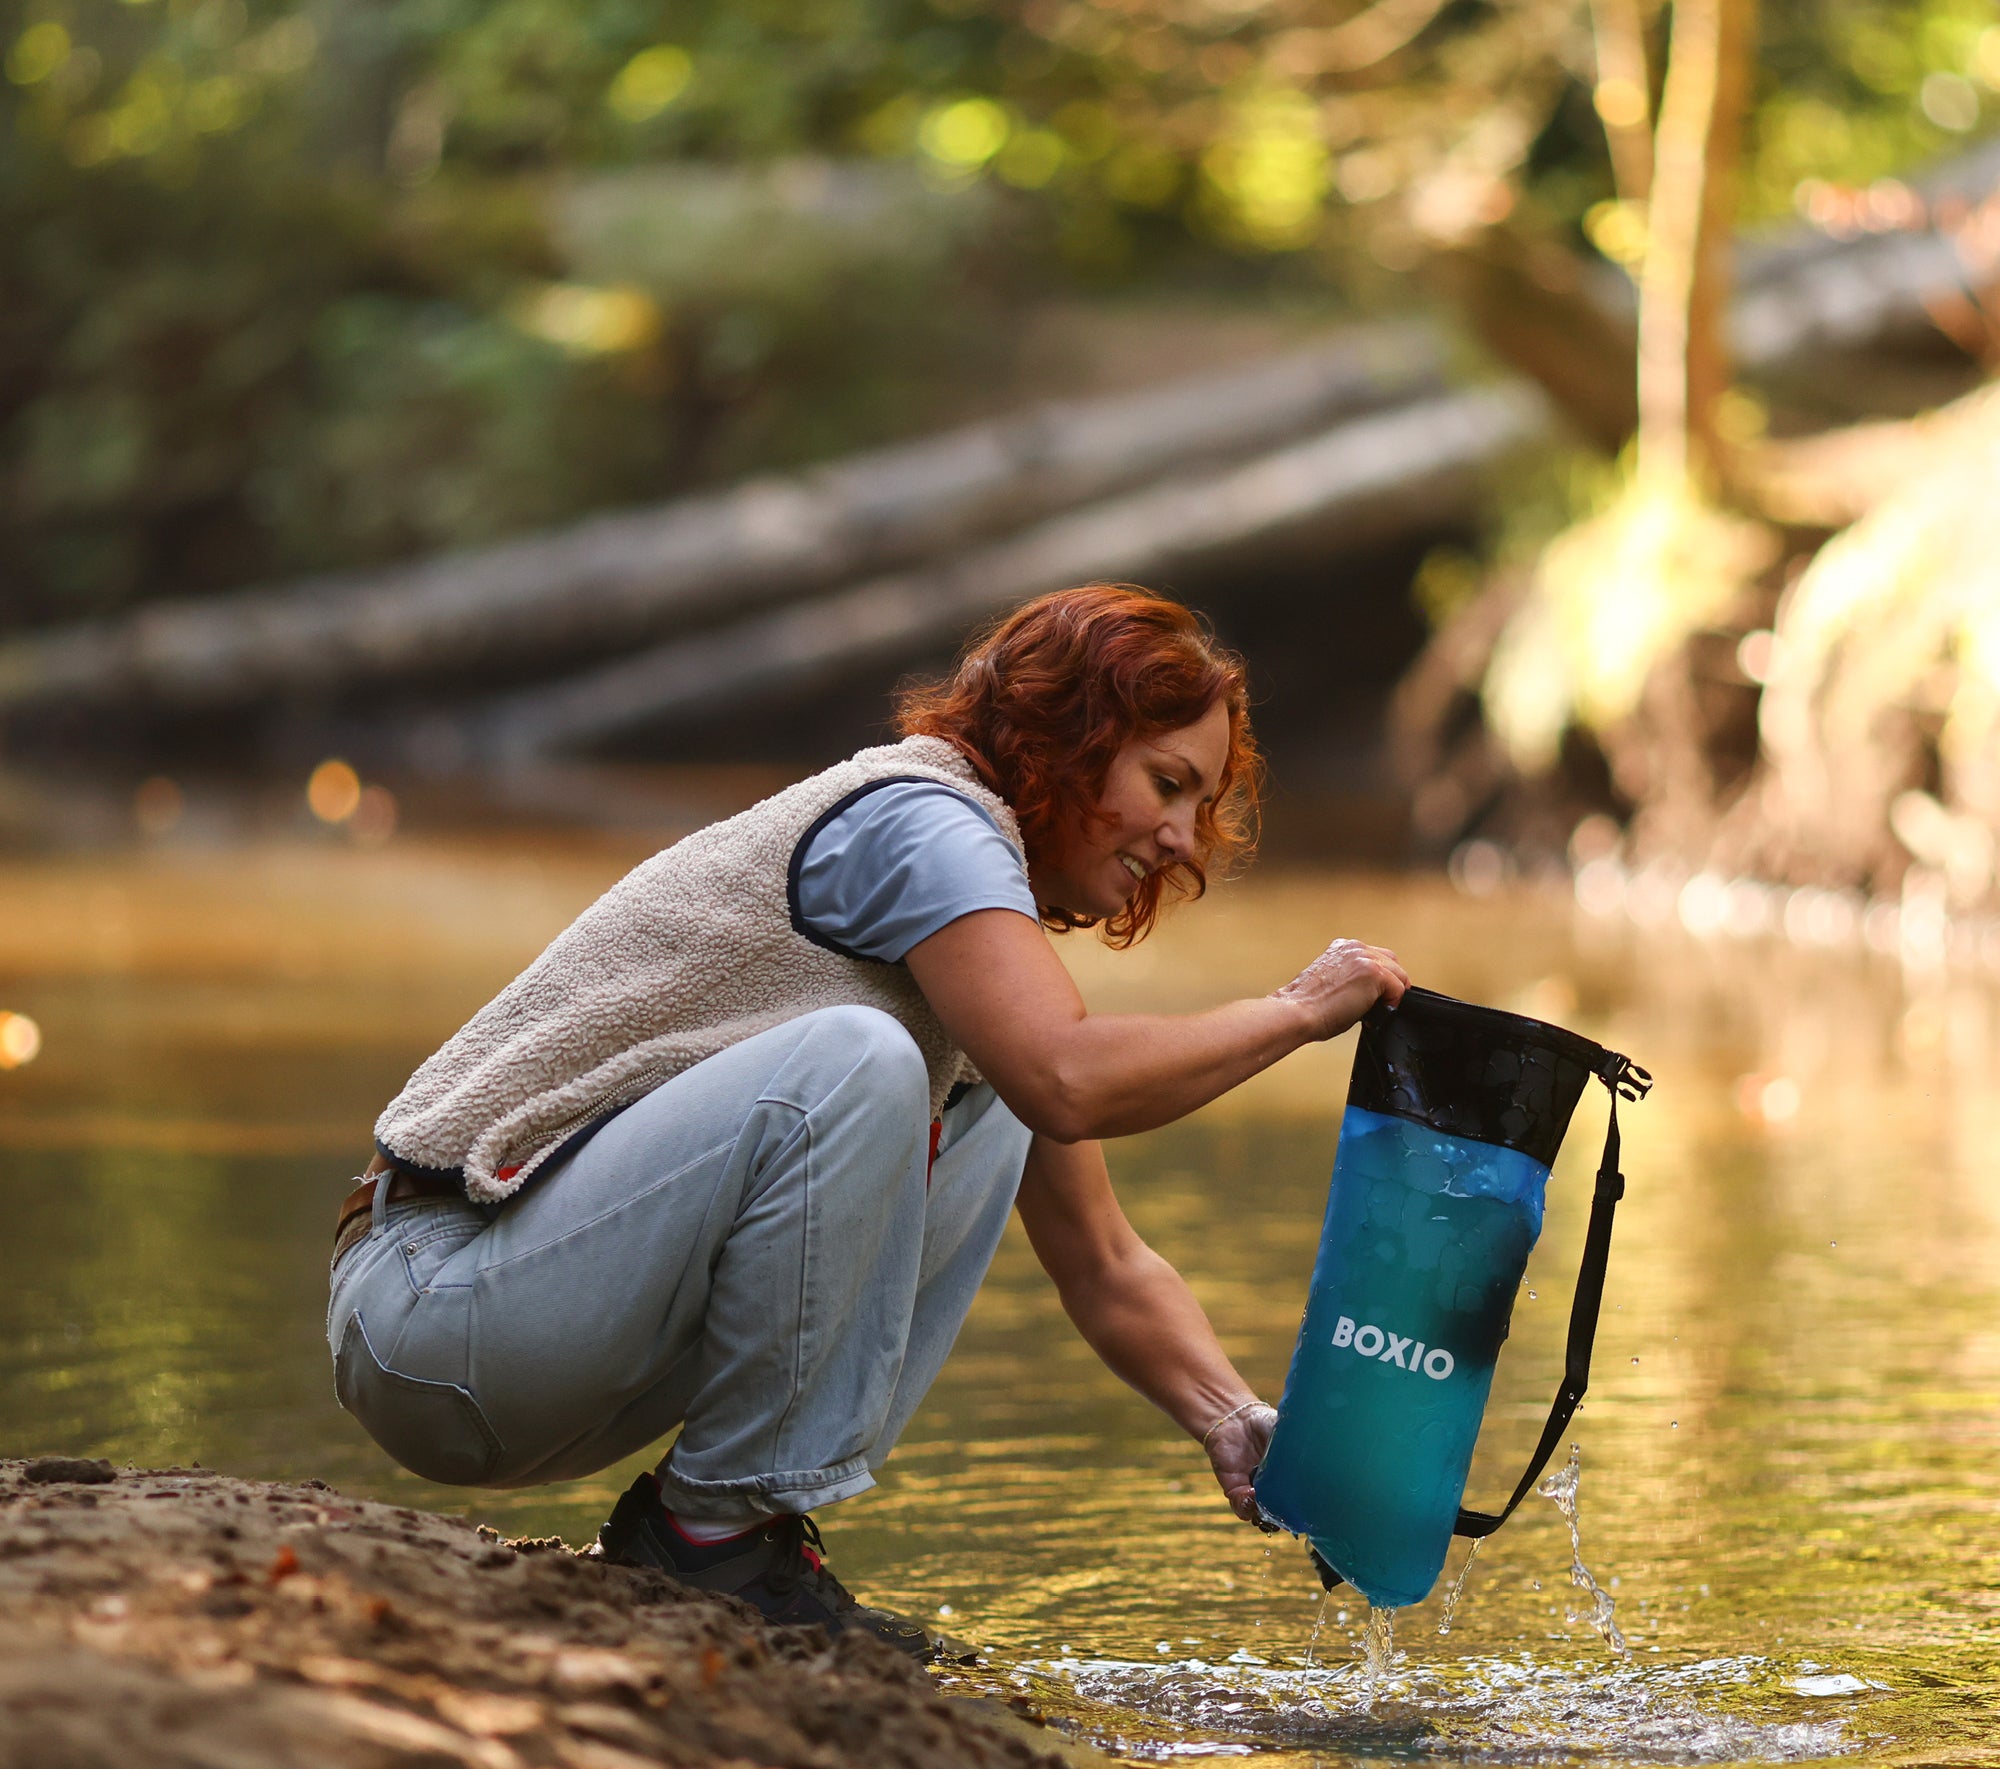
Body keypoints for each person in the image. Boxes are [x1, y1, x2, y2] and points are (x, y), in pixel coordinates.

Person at [327, 584, 1409, 1656]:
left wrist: (1230, 1416)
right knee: (870, 1059)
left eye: (1199, 806)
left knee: (989, 1098)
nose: (1181, 839)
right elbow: (1069, 1078)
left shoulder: (978, 940)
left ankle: (726, 1524)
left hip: (558, 1344)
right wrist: (1298, 1011)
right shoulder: (923, 822)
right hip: (433, 1306)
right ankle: (711, 1537)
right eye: (1166, 784)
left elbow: (1105, 1261)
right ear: (1068, 738)